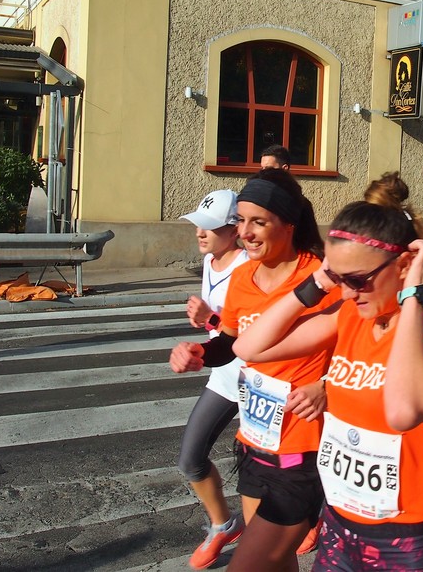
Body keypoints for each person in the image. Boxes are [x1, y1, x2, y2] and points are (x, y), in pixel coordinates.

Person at [231, 172, 423, 570]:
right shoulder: (351, 315)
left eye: (358, 280)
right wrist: (317, 282)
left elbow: (401, 412)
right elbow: (248, 347)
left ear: (404, 265)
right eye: (339, 279)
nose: (347, 293)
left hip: (408, 537)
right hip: (338, 525)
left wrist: (415, 295)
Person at [169, 169, 340, 571]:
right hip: (254, 439)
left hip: (302, 446)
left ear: (288, 225)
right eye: (241, 220)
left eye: (258, 222)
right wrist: (200, 352)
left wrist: (325, 385)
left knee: (250, 563)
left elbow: (360, 349)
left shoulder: (319, 279)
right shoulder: (244, 277)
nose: (245, 232)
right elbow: (229, 342)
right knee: (278, 562)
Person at [173, 189, 248, 570]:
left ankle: (306, 517)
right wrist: (203, 329)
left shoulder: (251, 267)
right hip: (223, 375)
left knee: (277, 471)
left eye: (209, 227)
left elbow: (249, 333)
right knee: (190, 460)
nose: (200, 234)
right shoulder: (210, 261)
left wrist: (210, 319)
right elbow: (216, 328)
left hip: (259, 380)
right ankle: (223, 525)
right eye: (198, 226)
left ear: (234, 229)